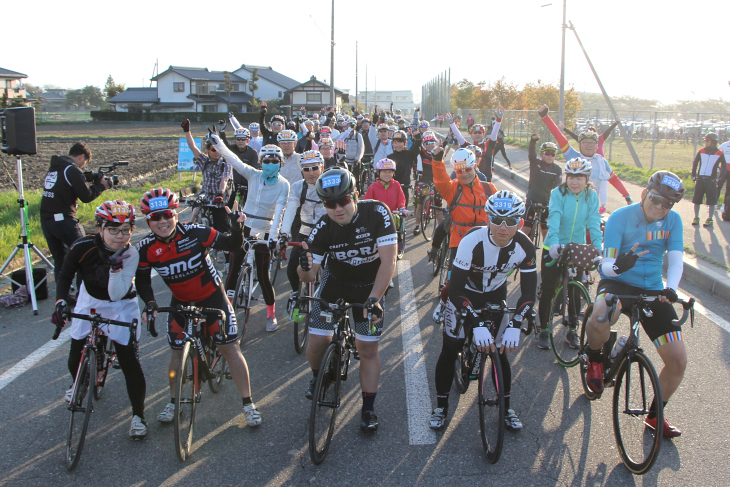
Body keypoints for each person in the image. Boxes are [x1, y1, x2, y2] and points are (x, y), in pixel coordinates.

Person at [135, 188, 262, 427]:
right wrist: (150, 302)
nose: (162, 221)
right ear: (148, 221)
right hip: (180, 302)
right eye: (155, 217)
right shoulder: (145, 248)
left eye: (167, 215)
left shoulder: (196, 232)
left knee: (230, 350)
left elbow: (232, 245)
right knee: (175, 354)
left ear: (175, 214)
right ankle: (173, 402)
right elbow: (141, 279)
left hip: (212, 298)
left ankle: (248, 404)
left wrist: (237, 228)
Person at [583, 171, 686, 437]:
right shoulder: (621, 217)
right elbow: (606, 265)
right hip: (617, 281)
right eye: (656, 199)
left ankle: (654, 416)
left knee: (677, 361)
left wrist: (672, 290)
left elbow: (675, 259)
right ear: (644, 194)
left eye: (667, 204)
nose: (660, 207)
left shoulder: (673, 221)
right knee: (601, 314)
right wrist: (620, 265)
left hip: (652, 287)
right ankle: (595, 360)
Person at [298, 167, 397, 433]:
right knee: (317, 341)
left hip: (369, 287)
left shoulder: (377, 213)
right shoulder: (322, 227)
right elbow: (308, 274)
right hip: (336, 284)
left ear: (354, 195)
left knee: (367, 350)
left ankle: (368, 408)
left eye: (343, 200)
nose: (337, 208)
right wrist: (303, 266)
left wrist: (375, 299)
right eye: (330, 204)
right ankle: (319, 378)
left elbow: (388, 262)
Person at [429, 191, 536, 431]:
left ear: (520, 223)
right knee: (450, 348)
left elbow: (529, 293)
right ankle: (441, 406)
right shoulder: (472, 240)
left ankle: (507, 408)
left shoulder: (524, 245)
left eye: (510, 222)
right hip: (464, 293)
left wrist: (516, 324)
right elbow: (455, 289)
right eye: (496, 220)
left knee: (501, 351)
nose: (502, 227)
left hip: (496, 293)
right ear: (487, 218)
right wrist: (476, 323)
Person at [52, 200, 147, 438]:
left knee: (129, 363)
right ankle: (79, 384)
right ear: (100, 228)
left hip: (120, 305)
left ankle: (138, 416)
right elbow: (65, 275)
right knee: (75, 355)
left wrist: (116, 268)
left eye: (126, 229)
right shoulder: (82, 246)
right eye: (113, 229)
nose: (120, 236)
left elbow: (116, 293)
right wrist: (60, 301)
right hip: (90, 300)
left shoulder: (131, 253)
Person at [212, 141, 290, 332]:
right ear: (261, 161)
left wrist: (273, 237)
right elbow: (234, 160)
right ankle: (226, 310)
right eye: (266, 160)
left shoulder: (283, 184)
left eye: (274, 160)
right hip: (244, 225)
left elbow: (280, 212)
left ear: (281, 163)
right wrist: (219, 143)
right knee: (233, 268)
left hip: (266, 227)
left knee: (263, 276)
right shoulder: (254, 175)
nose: (270, 163)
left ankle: (271, 315)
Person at [537, 157, 602, 350]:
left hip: (577, 248)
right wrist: (555, 242)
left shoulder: (591, 196)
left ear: (587, 178)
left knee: (575, 290)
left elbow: (593, 221)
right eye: (571, 177)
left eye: (579, 177)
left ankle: (572, 329)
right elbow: (554, 217)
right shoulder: (558, 192)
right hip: (554, 246)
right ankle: (544, 329)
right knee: (548, 289)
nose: (574, 181)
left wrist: (598, 247)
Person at [429, 148, 494, 322]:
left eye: (467, 169)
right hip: (460, 241)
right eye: (459, 171)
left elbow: (501, 209)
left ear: (475, 166)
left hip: (484, 240)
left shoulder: (488, 188)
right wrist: (437, 160)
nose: (463, 174)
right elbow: (441, 179)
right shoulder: (453, 189)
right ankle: (443, 304)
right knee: (452, 285)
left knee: (488, 281)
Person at [40, 142, 111, 287]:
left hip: (47, 222)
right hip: (64, 221)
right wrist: (101, 186)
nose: (82, 166)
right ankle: (83, 297)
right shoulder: (72, 170)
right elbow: (86, 196)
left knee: (60, 261)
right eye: (84, 163)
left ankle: (62, 300)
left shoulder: (55, 168)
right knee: (84, 255)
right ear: (81, 157)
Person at [539, 105, 633, 212]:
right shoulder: (572, 156)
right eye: (585, 142)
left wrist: (627, 197)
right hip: (570, 206)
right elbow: (560, 137)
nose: (588, 145)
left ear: (597, 146)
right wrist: (545, 117)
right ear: (579, 144)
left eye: (592, 143)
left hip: (591, 208)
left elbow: (614, 180)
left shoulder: (601, 161)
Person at [279, 150, 326, 303]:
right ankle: (294, 293)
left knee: (334, 268)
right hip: (305, 230)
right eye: (306, 169)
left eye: (315, 168)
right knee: (292, 264)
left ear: (322, 168)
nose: (311, 172)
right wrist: (284, 233)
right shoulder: (298, 186)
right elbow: (290, 209)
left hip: (327, 231)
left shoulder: (329, 183)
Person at [181, 119, 233, 234]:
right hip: (206, 194)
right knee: (196, 210)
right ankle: (188, 231)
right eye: (213, 149)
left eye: (219, 149)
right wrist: (187, 131)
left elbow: (224, 179)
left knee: (222, 226)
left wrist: (220, 193)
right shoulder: (204, 160)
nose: (216, 152)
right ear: (208, 151)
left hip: (220, 196)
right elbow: (192, 147)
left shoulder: (226, 163)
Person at [364, 158, 410, 254]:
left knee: (397, 222)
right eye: (384, 171)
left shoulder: (396, 185)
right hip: (378, 216)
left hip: (393, 214)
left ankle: (399, 240)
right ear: (378, 173)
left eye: (390, 172)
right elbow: (367, 202)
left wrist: (402, 208)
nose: (387, 174)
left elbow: (401, 199)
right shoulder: (373, 187)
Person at [522, 135, 563, 242]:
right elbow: (531, 153)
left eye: (553, 154)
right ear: (541, 154)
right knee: (526, 228)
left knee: (546, 231)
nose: (550, 156)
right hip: (532, 199)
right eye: (547, 153)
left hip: (546, 201)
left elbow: (557, 185)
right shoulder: (536, 163)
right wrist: (533, 141)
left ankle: (546, 253)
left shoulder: (557, 169)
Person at [446, 109, 503, 181]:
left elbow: (494, 134)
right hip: (470, 180)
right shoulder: (467, 147)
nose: (477, 134)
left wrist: (498, 120)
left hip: (486, 181)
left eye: (480, 132)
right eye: (475, 132)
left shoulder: (489, 146)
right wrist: (451, 123)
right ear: (471, 135)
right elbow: (459, 136)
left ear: (484, 135)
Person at [219, 125, 261, 209]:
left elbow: (256, 168)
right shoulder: (231, 149)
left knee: (249, 208)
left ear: (248, 140)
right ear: (235, 140)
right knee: (226, 207)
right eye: (238, 139)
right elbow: (223, 145)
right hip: (232, 184)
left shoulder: (252, 152)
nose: (240, 141)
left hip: (247, 184)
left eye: (243, 139)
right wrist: (221, 132)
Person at [691, 132, 726, 227]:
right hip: (700, 179)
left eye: (707, 140)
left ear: (713, 142)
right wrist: (693, 175)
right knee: (697, 199)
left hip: (711, 180)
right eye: (705, 140)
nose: (705, 142)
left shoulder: (719, 153)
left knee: (711, 200)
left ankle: (710, 218)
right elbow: (695, 163)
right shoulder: (702, 151)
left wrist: (719, 179)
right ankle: (696, 217)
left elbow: (724, 167)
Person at [389, 129, 422, 206]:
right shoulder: (389, 157)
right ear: (392, 143)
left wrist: (418, 139)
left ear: (405, 143)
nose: (398, 145)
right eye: (395, 142)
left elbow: (415, 149)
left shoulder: (409, 154)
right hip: (391, 188)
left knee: (402, 211)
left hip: (404, 188)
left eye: (400, 142)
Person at [719, 137, 730, 221]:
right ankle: (713, 203)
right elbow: (717, 156)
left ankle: (725, 205)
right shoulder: (724, 145)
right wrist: (717, 169)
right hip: (723, 170)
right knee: (718, 186)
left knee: (728, 189)